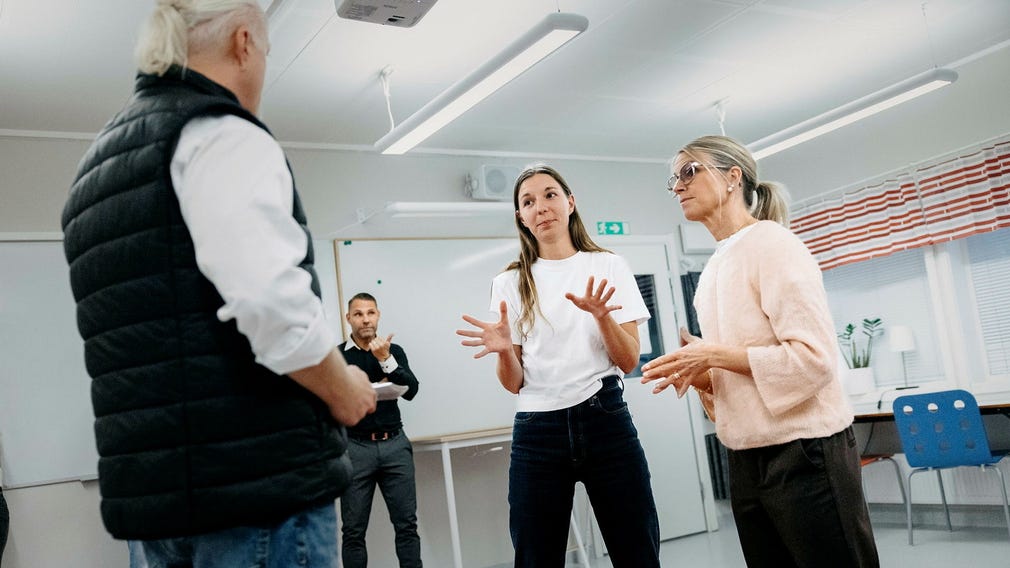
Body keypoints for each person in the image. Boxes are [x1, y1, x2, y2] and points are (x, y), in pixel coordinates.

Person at [60, 1, 377, 566]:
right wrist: (344, 389)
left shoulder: (94, 169)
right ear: (243, 42)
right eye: (267, 54)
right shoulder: (216, 132)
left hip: (157, 504)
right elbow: (271, 307)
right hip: (258, 495)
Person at [641, 135, 879, 567]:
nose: (678, 186)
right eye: (673, 179)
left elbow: (814, 360)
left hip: (805, 450)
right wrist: (703, 379)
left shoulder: (773, 244)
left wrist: (712, 356)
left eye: (690, 171)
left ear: (733, 178)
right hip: (746, 456)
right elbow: (739, 366)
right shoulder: (716, 266)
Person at [456, 164, 661, 567]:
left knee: (636, 551)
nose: (541, 207)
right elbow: (514, 384)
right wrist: (503, 351)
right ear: (521, 217)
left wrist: (602, 317)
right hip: (538, 431)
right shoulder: (510, 282)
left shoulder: (607, 265)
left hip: (605, 419)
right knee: (535, 557)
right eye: (528, 201)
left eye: (550, 195)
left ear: (570, 202)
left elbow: (628, 359)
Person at [338, 292, 421, 568]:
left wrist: (386, 360)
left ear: (378, 315)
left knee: (407, 525)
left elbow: (411, 390)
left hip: (394, 444)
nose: (365, 320)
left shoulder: (393, 351)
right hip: (355, 448)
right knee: (353, 531)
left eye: (370, 313)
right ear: (348, 318)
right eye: (358, 314)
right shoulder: (337, 356)